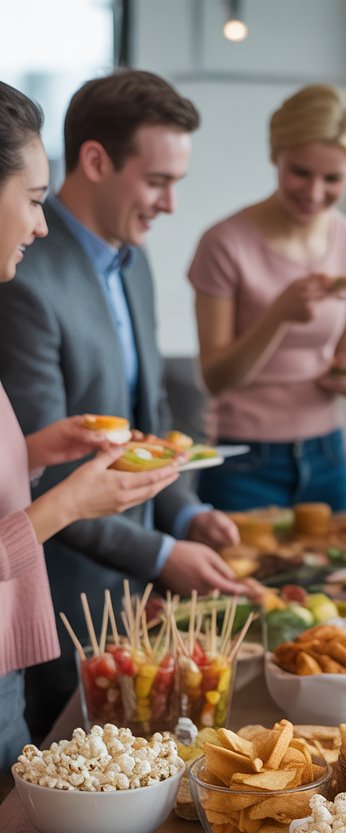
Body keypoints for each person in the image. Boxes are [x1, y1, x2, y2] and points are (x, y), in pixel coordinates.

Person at [0, 70, 245, 737]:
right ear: (97, 160)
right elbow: (42, 488)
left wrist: (184, 511)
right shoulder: (23, 281)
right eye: (158, 181)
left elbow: (148, 424)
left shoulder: (130, 262)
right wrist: (163, 555)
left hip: (127, 598)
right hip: (54, 599)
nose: (169, 204)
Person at [188, 82, 346, 514]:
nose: (314, 193)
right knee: (237, 582)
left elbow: (345, 359)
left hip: (327, 452)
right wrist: (278, 316)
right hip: (242, 458)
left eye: (333, 179)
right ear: (276, 154)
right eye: (300, 172)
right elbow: (215, 379)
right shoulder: (224, 243)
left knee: (334, 579)